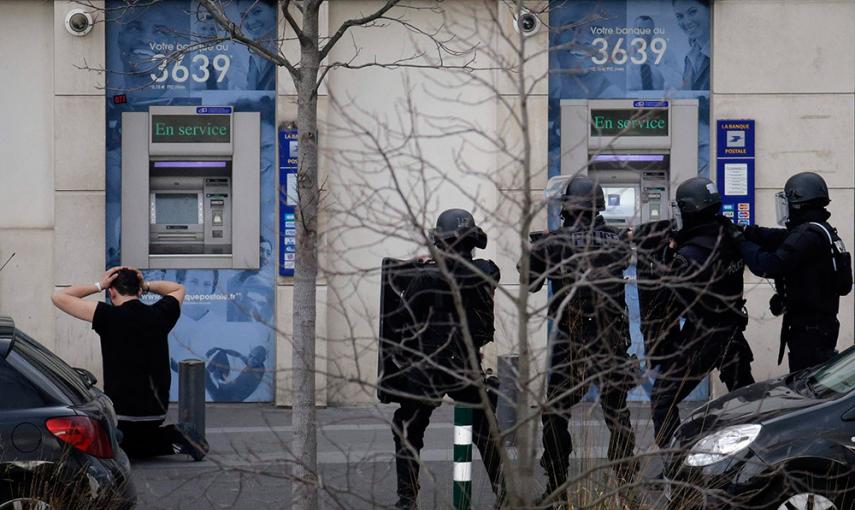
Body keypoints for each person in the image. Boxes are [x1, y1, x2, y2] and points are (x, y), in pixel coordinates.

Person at [524, 175, 637, 505]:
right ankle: (627, 485)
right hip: (611, 340)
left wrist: (540, 246)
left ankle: (558, 489)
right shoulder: (617, 241)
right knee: (617, 416)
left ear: (567, 207)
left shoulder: (555, 243)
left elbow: (528, 280)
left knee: (556, 415)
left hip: (570, 342)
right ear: (598, 206)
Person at [387, 209, 505, 510]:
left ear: (440, 241)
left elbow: (401, 320)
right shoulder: (486, 272)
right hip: (465, 365)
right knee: (486, 432)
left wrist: (417, 267)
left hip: (428, 366)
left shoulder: (425, 277)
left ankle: (407, 500)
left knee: (408, 429)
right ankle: (505, 495)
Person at [51, 267, 208, 461]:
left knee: (108, 447)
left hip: (120, 414)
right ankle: (172, 437)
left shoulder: (107, 316)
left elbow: (59, 297)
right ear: (139, 291)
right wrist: (147, 284)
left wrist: (99, 285)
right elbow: (178, 289)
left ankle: (167, 438)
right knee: (122, 443)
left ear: (112, 291)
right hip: (156, 411)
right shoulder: (159, 314)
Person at [650, 177, 754, 450]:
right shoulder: (731, 235)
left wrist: (664, 255)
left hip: (702, 336)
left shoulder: (691, 252)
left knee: (663, 398)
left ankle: (677, 466)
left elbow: (666, 293)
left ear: (689, 210)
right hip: (732, 331)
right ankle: (760, 456)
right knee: (750, 401)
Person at [733, 172, 851, 372]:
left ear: (797, 202)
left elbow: (769, 265)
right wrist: (746, 231)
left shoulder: (807, 235)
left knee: (807, 391)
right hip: (821, 326)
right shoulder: (820, 230)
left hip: (809, 331)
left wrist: (741, 243)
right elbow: (778, 237)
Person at [673, 0, 711, 91]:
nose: (686, 22)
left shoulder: (724, 52)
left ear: (710, 10)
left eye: (692, 12)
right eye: (680, 16)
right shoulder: (690, 57)